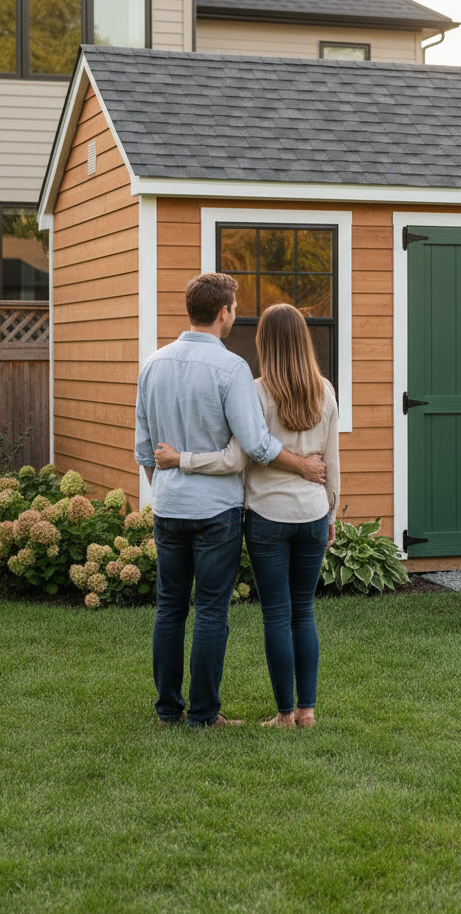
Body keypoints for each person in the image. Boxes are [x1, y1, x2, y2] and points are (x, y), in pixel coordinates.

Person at [135, 274, 326, 730]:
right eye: (234, 307)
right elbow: (256, 446)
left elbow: (145, 450)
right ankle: (203, 715)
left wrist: (165, 487)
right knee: (211, 611)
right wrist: (302, 466)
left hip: (169, 508)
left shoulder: (153, 364)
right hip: (216, 511)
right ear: (224, 312)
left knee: (170, 607)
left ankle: (167, 712)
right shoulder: (232, 368)